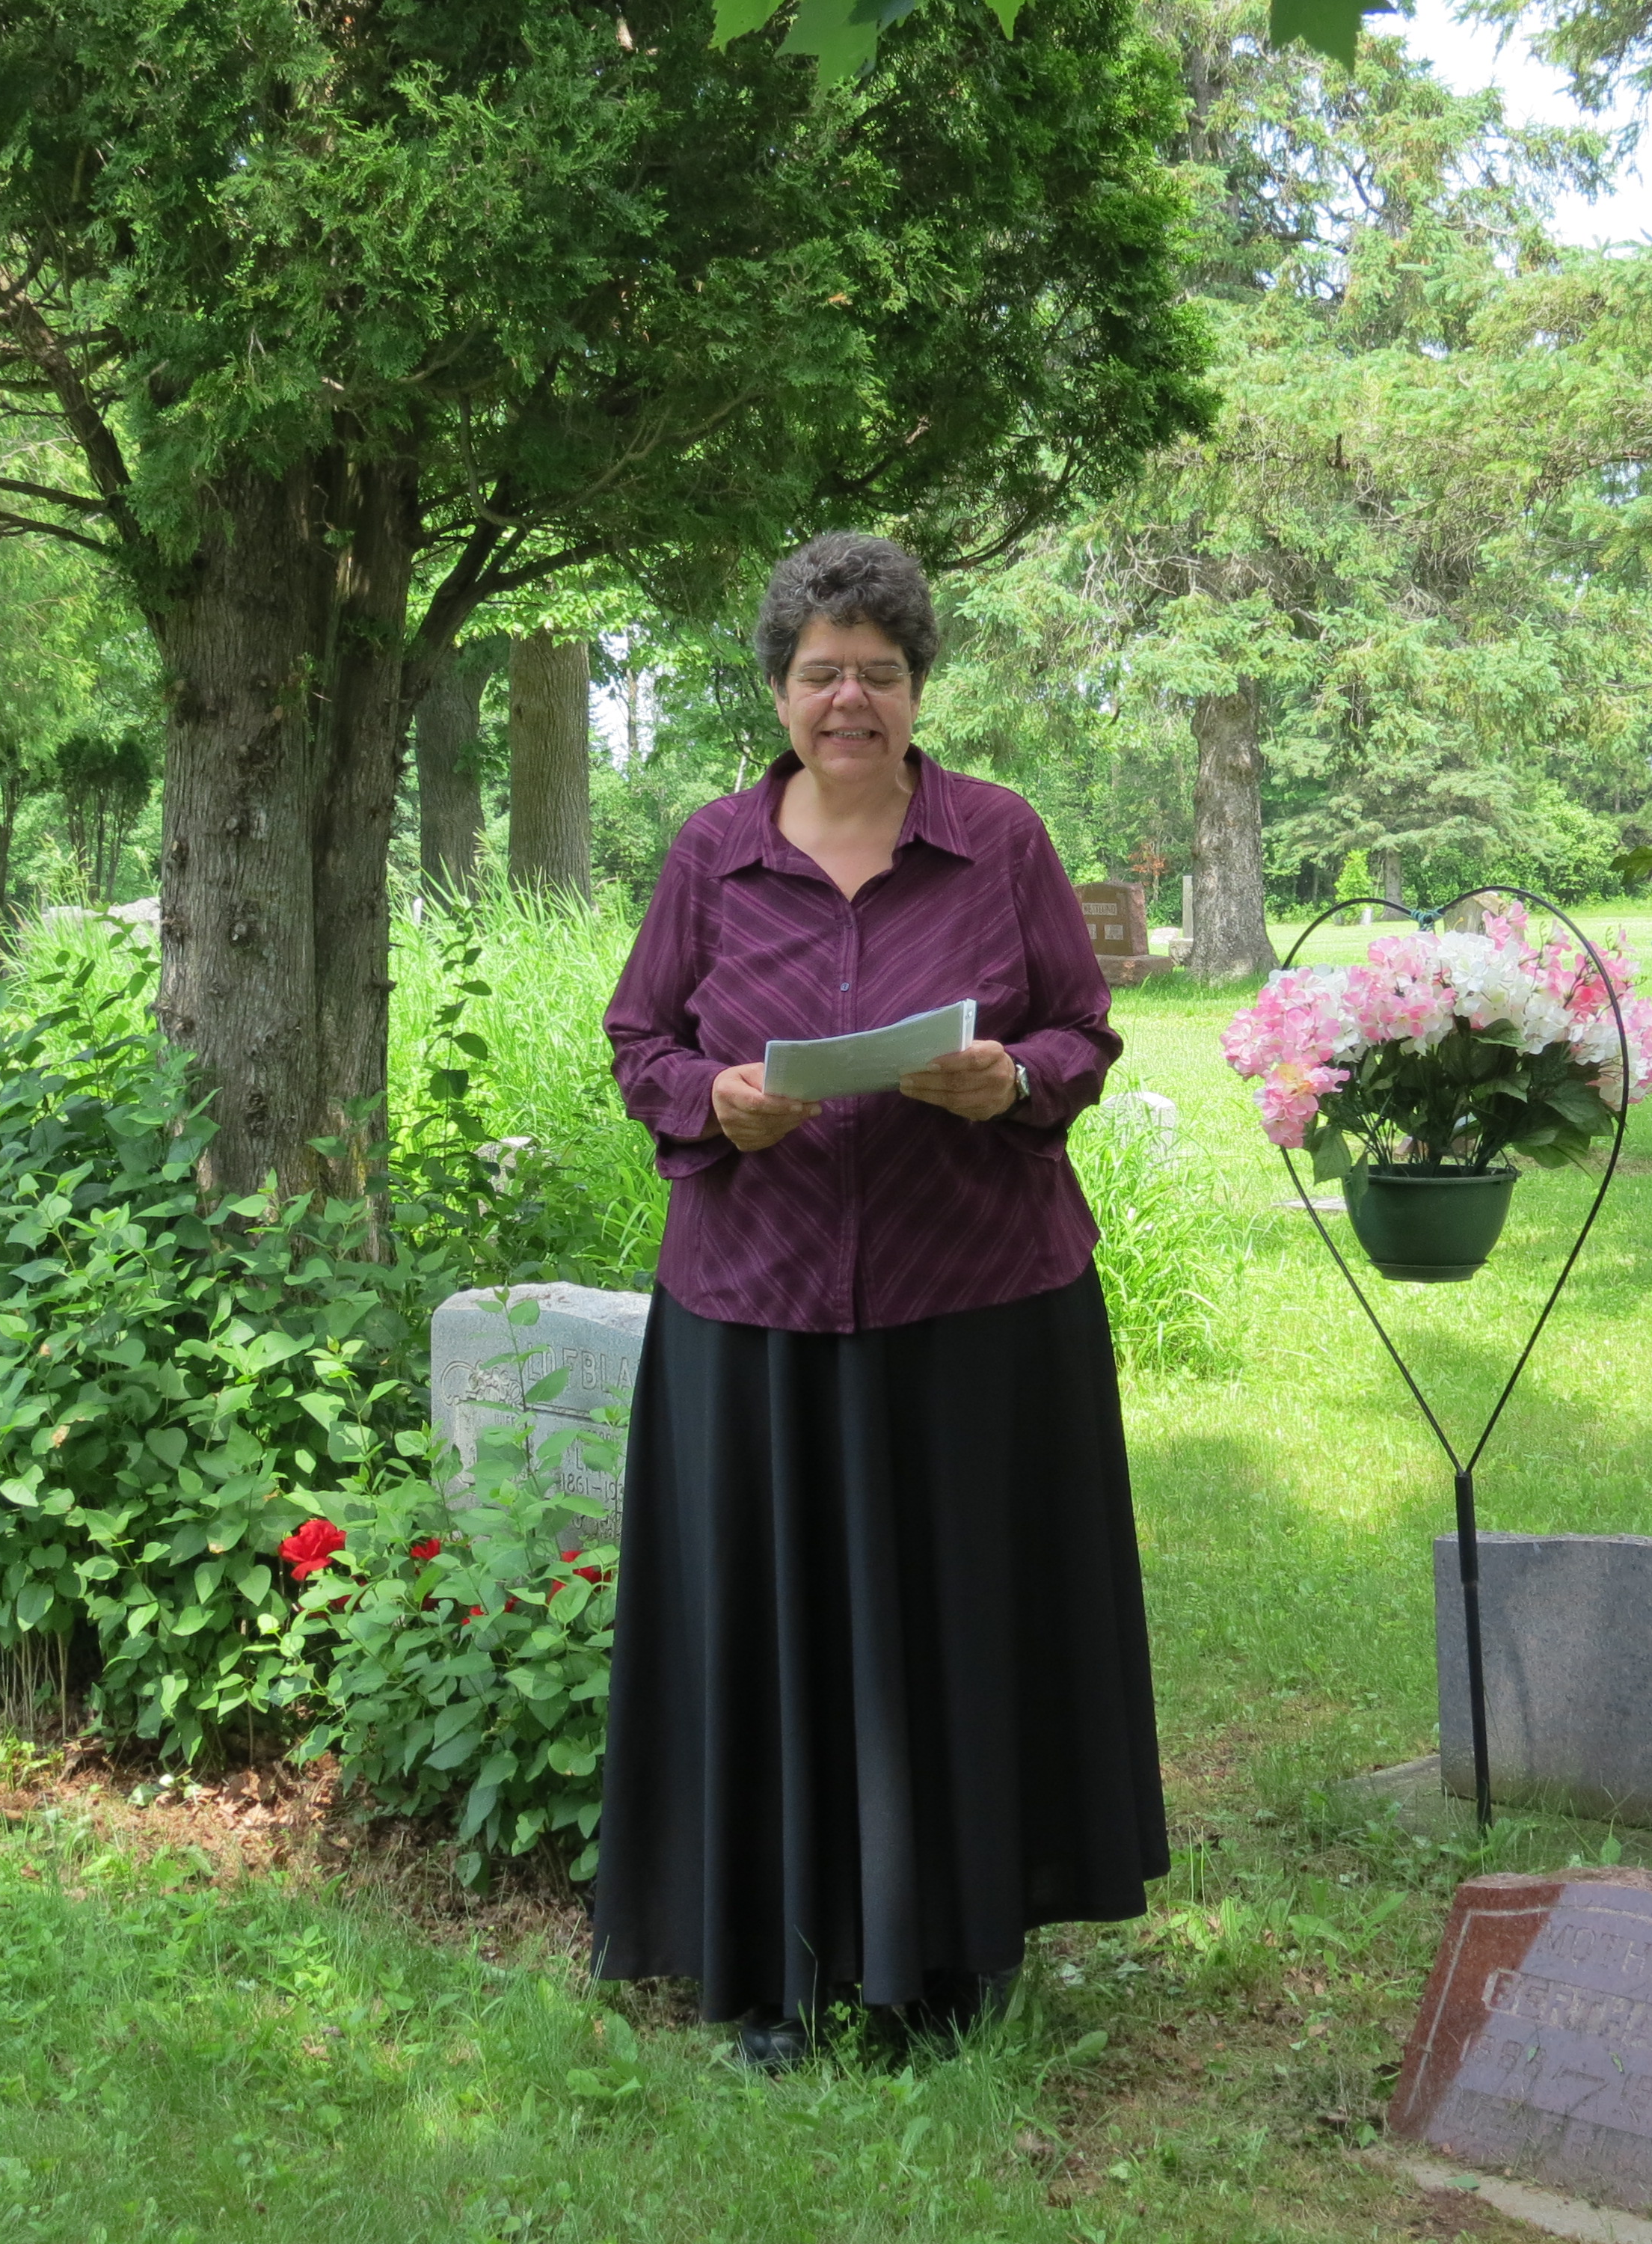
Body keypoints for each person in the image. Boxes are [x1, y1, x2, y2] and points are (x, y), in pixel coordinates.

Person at [595, 531, 1168, 2069]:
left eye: (878, 671)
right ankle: (773, 1978)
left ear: (917, 687)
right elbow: (638, 1039)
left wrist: (1009, 1080)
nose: (848, 697)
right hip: (755, 1311)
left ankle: (948, 1965)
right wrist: (711, 1100)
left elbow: (1081, 1031)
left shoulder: (999, 840)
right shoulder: (712, 851)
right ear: (779, 686)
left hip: (973, 1305)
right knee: (765, 1643)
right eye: (819, 671)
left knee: (955, 1633)